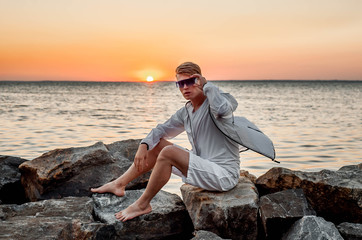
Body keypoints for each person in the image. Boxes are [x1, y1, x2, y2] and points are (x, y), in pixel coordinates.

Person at [91, 62, 240, 222]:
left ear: (199, 81)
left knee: (168, 153)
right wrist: (144, 145)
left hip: (223, 174)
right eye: (180, 84)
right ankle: (119, 184)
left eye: (189, 82)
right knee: (157, 144)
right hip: (203, 165)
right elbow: (161, 130)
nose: (184, 88)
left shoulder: (216, 103)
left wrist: (207, 85)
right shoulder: (187, 111)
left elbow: (225, 109)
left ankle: (142, 204)